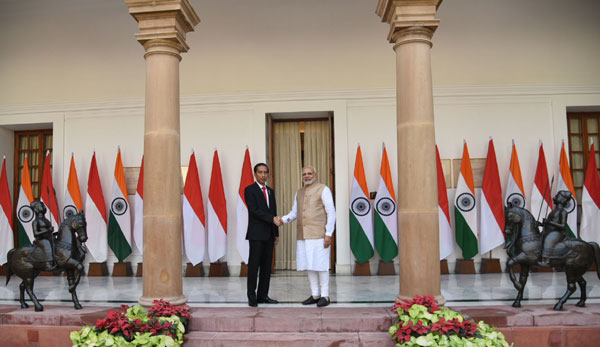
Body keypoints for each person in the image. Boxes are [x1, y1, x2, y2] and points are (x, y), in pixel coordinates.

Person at [279, 166, 336, 307]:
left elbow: (331, 212)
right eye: (304, 174)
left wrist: (328, 233)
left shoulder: (323, 189)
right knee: (309, 265)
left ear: (315, 174)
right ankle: (315, 294)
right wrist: (282, 220)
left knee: (321, 265)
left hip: (319, 234)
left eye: (309, 173)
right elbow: (294, 213)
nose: (307, 176)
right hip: (303, 235)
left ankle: (325, 296)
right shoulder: (299, 192)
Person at [245, 163, 279, 307]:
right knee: (254, 267)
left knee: (266, 267)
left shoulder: (270, 191)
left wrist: (276, 233)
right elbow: (254, 210)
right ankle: (252, 297)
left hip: (269, 235)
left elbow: (274, 212)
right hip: (256, 235)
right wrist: (271, 219)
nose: (263, 175)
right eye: (260, 172)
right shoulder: (249, 190)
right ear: (255, 174)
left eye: (265, 172)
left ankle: (263, 296)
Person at [539, 190, 571, 266]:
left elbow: (563, 226)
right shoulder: (554, 211)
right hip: (549, 231)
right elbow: (549, 223)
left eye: (558, 196)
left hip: (557, 233)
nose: (555, 197)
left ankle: (546, 259)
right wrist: (542, 224)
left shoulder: (563, 212)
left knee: (548, 239)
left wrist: (549, 222)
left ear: (563, 200)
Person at [28, 201, 57, 271]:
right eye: (41, 206)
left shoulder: (46, 220)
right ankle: (48, 264)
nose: (44, 207)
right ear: (36, 209)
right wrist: (48, 230)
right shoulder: (36, 221)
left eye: (43, 206)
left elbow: (49, 232)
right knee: (46, 243)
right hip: (40, 240)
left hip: (48, 237)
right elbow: (36, 233)